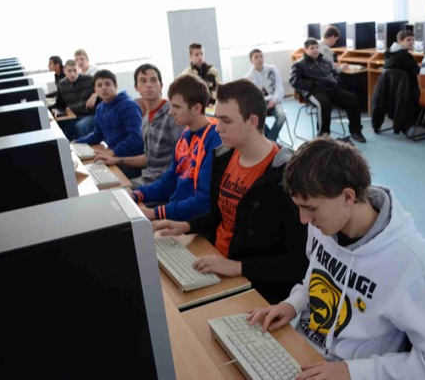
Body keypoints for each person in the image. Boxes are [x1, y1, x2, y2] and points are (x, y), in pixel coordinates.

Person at [247, 137, 425, 380]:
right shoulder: (323, 226)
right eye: (299, 207)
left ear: (348, 197)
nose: (303, 219)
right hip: (306, 353)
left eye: (310, 208)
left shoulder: (413, 265)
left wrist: (352, 372)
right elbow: (315, 279)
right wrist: (293, 304)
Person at [153, 79, 308, 304]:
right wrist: (187, 226)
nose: (217, 127)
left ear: (252, 122)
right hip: (216, 261)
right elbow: (222, 213)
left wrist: (237, 267)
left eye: (226, 121)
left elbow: (295, 262)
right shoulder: (224, 156)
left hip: (250, 282)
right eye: (217, 118)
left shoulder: (284, 176)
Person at [130, 74, 221, 222]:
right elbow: (169, 181)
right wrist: (137, 194)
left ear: (196, 108)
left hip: (191, 221)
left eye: (176, 107)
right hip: (175, 211)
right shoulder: (185, 135)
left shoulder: (214, 139)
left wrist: (157, 213)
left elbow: (204, 201)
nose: (170, 111)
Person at [94, 64, 184, 187]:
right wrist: (117, 160)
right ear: (136, 87)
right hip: (147, 179)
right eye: (143, 81)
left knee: (114, 192)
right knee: (107, 188)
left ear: (161, 85)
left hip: (164, 184)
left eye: (153, 80)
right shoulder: (145, 119)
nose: (149, 85)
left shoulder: (172, 115)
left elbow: (184, 160)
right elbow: (148, 158)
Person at [290, 38, 366, 143]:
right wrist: (313, 84)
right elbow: (294, 81)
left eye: (316, 47)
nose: (315, 50)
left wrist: (335, 81)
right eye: (312, 48)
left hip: (331, 89)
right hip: (313, 92)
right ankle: (323, 137)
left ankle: (356, 131)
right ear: (306, 50)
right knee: (324, 104)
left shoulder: (325, 61)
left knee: (352, 99)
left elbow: (334, 73)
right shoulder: (299, 64)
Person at [74, 69, 144, 179]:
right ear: (95, 90)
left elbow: (135, 138)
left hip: (130, 160)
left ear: (115, 86)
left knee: (96, 177)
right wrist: (76, 143)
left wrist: (111, 152)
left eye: (108, 84)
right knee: (88, 170)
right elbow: (97, 135)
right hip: (114, 155)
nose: (104, 88)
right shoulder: (100, 108)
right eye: (99, 85)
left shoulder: (129, 105)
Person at [48, 59, 98, 140]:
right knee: (58, 127)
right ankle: (70, 147)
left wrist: (96, 94)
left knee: (80, 126)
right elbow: (60, 104)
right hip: (75, 116)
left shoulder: (89, 79)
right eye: (69, 71)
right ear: (64, 71)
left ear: (79, 69)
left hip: (91, 114)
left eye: (75, 70)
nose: (72, 74)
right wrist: (46, 110)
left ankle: (84, 147)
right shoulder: (62, 84)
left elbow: (103, 90)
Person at [245, 49, 286, 141]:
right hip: (259, 105)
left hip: (273, 101)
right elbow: (250, 98)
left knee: (282, 116)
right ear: (251, 60)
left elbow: (279, 87)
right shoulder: (249, 77)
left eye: (261, 56)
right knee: (256, 121)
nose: (260, 59)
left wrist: (274, 100)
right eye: (256, 57)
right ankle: (272, 141)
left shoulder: (272, 69)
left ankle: (270, 141)